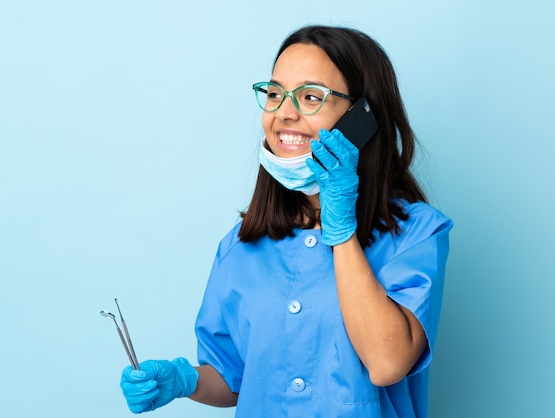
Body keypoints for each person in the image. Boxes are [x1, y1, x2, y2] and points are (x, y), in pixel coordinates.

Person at [119, 24, 453, 417]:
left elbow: (387, 363)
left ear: (362, 117)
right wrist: (185, 381)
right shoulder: (239, 247)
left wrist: (341, 228)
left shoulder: (416, 234)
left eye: (311, 97)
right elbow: (232, 377)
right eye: (275, 94)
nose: (284, 113)